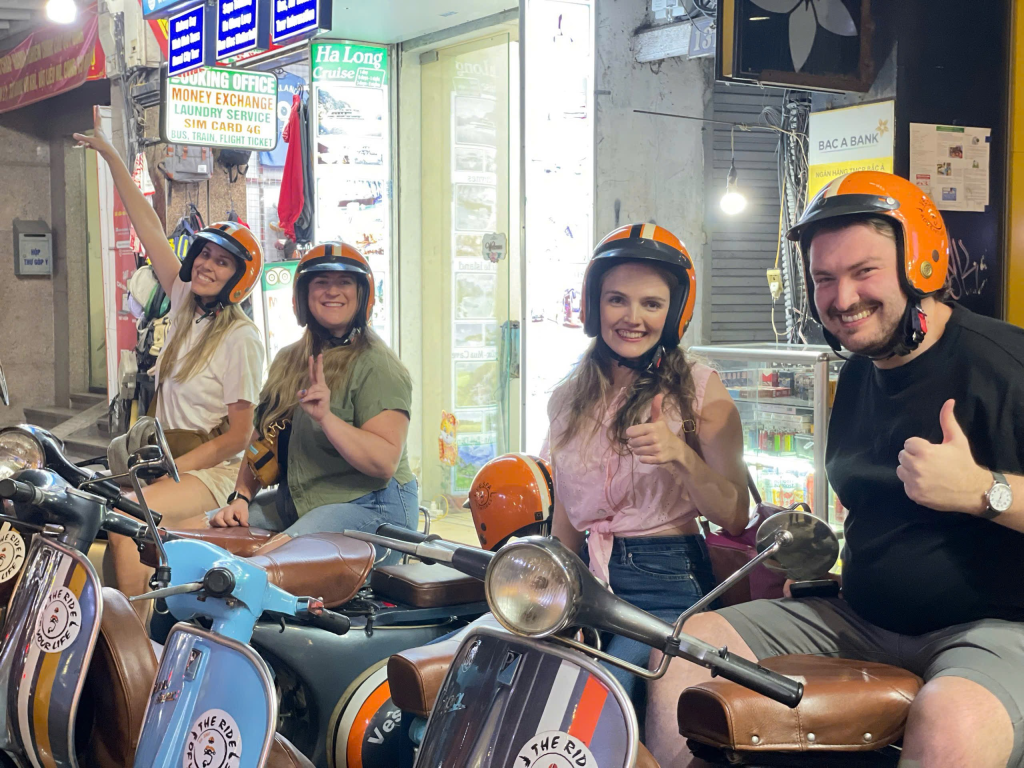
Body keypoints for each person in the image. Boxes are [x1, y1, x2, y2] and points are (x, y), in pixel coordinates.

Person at [646, 171, 1024, 768]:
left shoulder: (1006, 364)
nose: (842, 298)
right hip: (860, 618)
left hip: (995, 629)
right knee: (685, 644)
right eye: (825, 278)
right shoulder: (856, 374)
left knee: (953, 720)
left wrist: (985, 491)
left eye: (864, 272)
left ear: (919, 265)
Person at [542, 223, 750, 728]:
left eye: (651, 304)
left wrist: (680, 453)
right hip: (588, 574)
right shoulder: (567, 397)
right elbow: (567, 509)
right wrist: (551, 586)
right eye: (617, 300)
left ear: (674, 313)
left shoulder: (702, 391)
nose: (632, 318)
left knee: (603, 705)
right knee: (530, 680)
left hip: (667, 576)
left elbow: (736, 514)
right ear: (595, 306)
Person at [73, 132, 265, 605]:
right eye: (204, 254)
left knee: (129, 522)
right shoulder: (182, 302)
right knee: (86, 505)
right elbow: (148, 226)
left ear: (237, 280)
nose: (206, 266)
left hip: (212, 469)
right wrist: (113, 157)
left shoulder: (241, 338)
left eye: (222, 263)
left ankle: (134, 653)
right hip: (166, 457)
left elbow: (239, 437)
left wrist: (175, 472)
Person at [202, 242, 418, 556]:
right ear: (303, 296)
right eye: (321, 282)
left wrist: (327, 419)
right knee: (199, 536)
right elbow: (260, 439)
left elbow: (384, 462)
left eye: (344, 282)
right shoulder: (289, 360)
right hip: (301, 500)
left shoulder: (377, 366)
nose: (332, 291)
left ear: (362, 295)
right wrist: (240, 498)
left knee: (270, 559)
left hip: (372, 505)